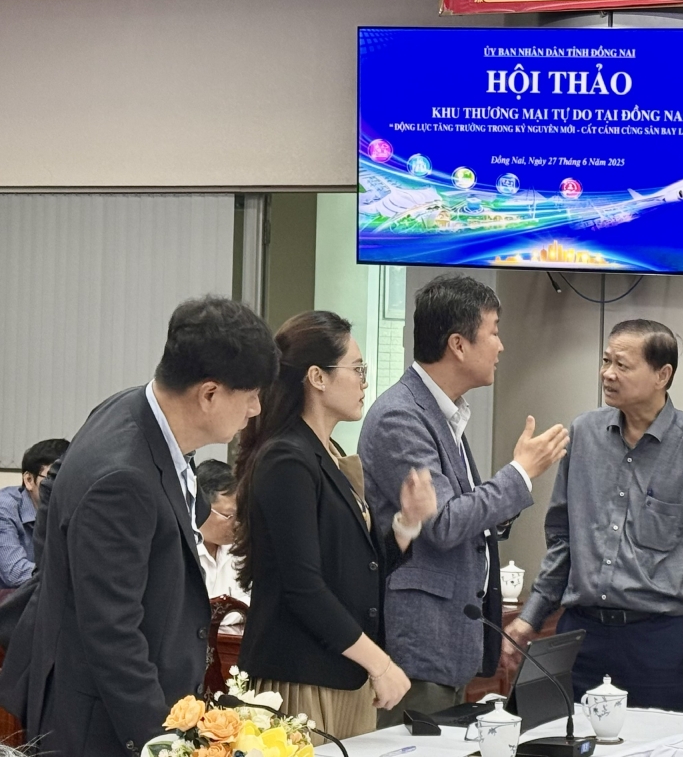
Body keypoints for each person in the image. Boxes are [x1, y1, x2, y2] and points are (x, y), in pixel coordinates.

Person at [0, 295, 279, 757]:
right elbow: (113, 636)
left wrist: (57, 575)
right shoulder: (122, 479)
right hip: (105, 724)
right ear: (209, 394)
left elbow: (54, 487)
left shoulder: (131, 407)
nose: (255, 410)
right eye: (251, 395)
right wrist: (163, 744)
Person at [359, 274, 569, 726]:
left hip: (451, 644)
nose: (501, 346)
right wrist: (520, 473)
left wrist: (505, 498)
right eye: (493, 332)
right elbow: (444, 523)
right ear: (458, 344)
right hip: (419, 648)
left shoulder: (443, 411)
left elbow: (462, 511)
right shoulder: (401, 415)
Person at [507, 319, 683, 713]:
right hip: (580, 634)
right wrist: (531, 616)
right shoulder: (584, 434)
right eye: (606, 361)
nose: (608, 374)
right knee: (560, 737)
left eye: (622, 365)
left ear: (662, 375)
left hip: (657, 643)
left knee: (657, 742)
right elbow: (562, 538)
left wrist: (674, 592)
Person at [234, 311, 437, 741]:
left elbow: (357, 568)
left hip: (345, 672)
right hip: (302, 677)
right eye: (357, 369)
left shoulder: (329, 452)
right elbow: (304, 587)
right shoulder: (287, 458)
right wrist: (380, 663)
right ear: (317, 378)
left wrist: (408, 523)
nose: (365, 381)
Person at [0, 439, 68, 591]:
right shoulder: (4, 508)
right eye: (54, 477)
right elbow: (14, 572)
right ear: (29, 480)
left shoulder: (70, 508)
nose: (63, 486)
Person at [194, 458, 248, 605]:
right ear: (201, 508)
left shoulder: (241, 549)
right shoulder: (178, 550)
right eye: (229, 515)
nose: (238, 523)